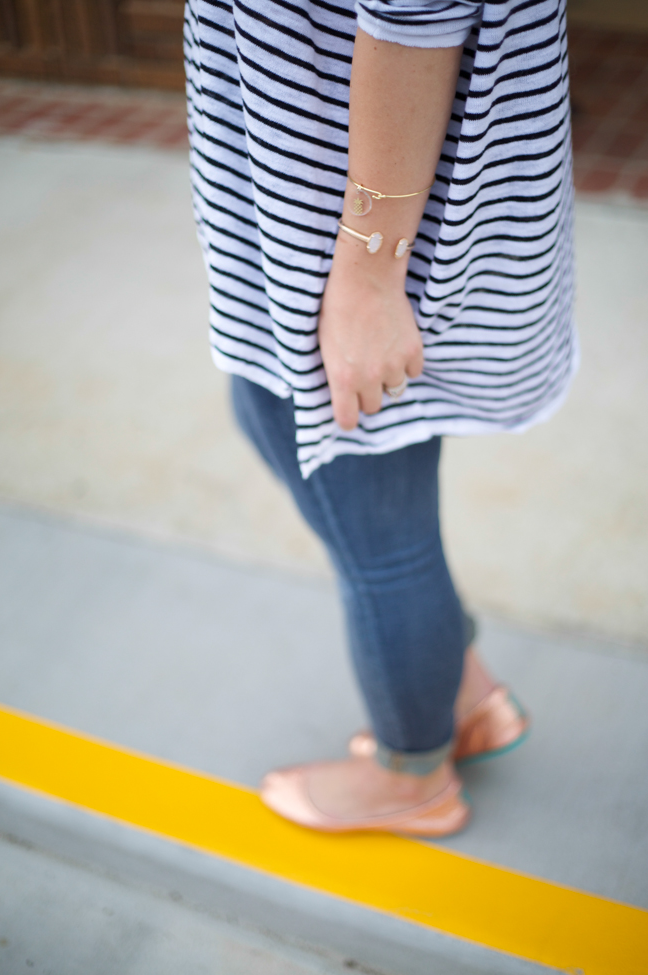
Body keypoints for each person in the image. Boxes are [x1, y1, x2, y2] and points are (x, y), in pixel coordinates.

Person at [183, 0, 576, 835]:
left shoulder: (364, 258)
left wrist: (368, 274)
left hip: (348, 217)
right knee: (275, 419)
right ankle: (465, 689)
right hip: (331, 194)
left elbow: (417, 13)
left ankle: (414, 772)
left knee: (378, 530)